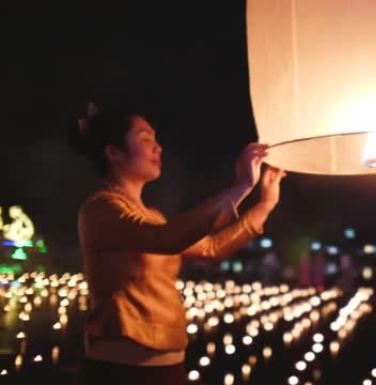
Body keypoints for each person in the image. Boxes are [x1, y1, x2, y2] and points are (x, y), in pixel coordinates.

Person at [69, 106, 285, 385]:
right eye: (145, 139)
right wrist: (241, 186)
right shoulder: (101, 210)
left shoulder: (153, 218)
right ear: (113, 152)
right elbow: (166, 239)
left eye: (156, 139)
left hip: (170, 368)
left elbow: (212, 249)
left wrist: (265, 204)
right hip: (123, 372)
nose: (158, 147)